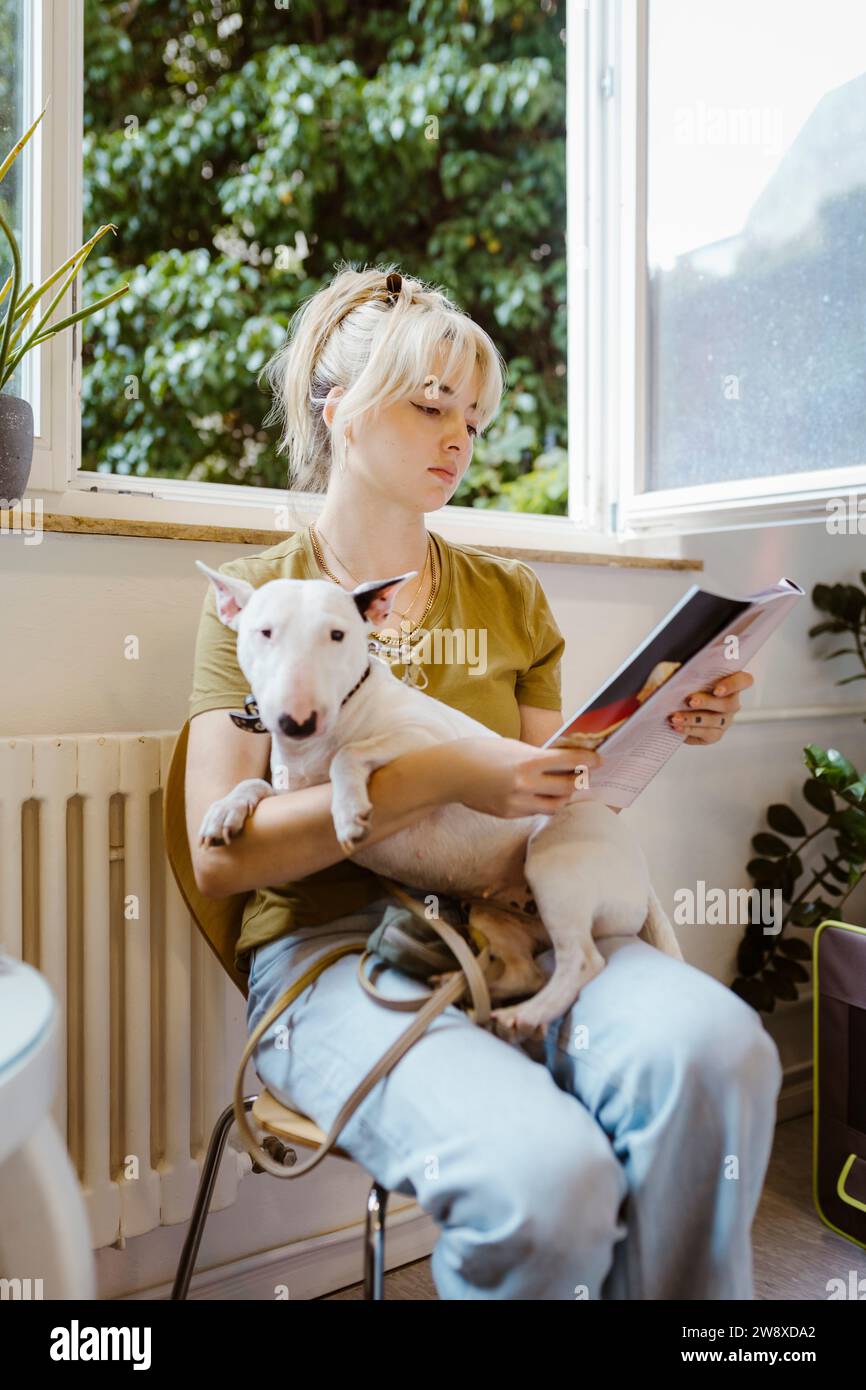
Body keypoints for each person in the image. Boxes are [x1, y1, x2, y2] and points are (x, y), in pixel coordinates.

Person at [185, 263, 782, 1300]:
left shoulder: (509, 596)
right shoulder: (264, 606)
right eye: (428, 407)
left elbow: (554, 794)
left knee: (716, 1051)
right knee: (544, 1183)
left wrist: (668, 720)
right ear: (339, 414)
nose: (458, 436)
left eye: (472, 414)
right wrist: (441, 772)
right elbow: (217, 856)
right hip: (331, 957)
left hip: (526, 931)